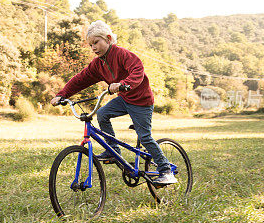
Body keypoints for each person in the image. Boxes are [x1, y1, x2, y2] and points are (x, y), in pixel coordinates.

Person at [50, 20, 177, 185]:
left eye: (96, 42)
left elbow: (137, 70)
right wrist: (62, 94)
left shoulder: (123, 55)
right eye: (90, 45)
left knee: (144, 137)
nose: (93, 47)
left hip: (141, 101)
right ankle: (113, 151)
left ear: (108, 39)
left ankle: (166, 170)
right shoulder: (98, 64)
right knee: (102, 114)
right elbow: (80, 79)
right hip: (124, 100)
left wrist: (124, 84)